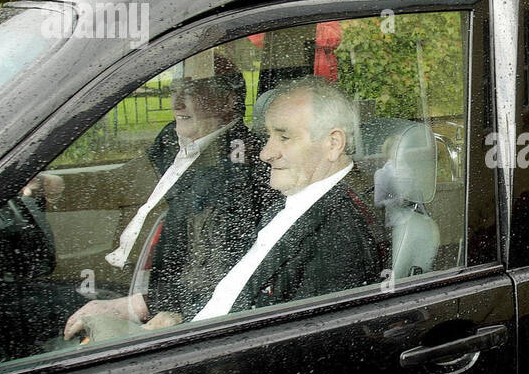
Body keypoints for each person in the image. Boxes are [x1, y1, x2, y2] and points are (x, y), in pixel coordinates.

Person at [60, 55, 270, 339]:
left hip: (177, 303)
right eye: (176, 89)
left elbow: (221, 267)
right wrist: (53, 189)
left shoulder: (242, 164)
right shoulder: (173, 139)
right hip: (148, 283)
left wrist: (139, 306)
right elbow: (124, 184)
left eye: (192, 91)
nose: (177, 103)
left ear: (228, 101)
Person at [148, 76, 383, 328]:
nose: (265, 153)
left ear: (333, 143)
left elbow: (308, 341)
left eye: (284, 137)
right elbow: (239, 290)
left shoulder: (339, 233)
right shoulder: (292, 202)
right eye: (268, 137)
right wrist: (182, 319)